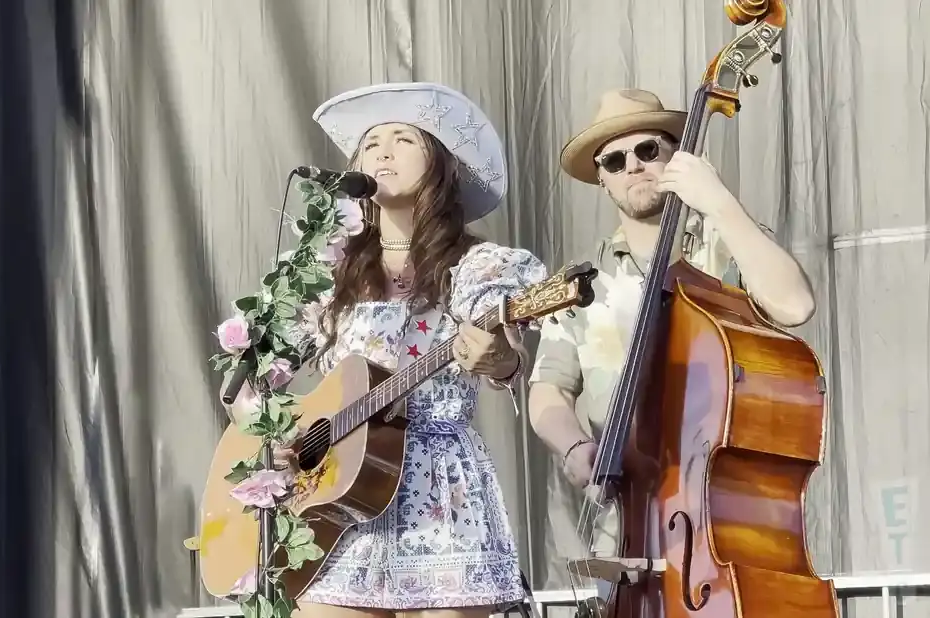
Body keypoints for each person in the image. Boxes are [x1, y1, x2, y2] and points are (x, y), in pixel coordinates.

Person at [227, 82, 547, 618]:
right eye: (371, 143)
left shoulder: (477, 265)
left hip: (439, 493)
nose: (383, 151)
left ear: (443, 166)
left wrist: (500, 359)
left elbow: (505, 354)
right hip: (336, 490)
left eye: (403, 139)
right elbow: (249, 379)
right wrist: (273, 436)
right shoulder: (327, 271)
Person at [526, 88, 817, 556]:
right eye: (614, 161)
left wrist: (719, 202)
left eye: (647, 150)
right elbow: (548, 391)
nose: (632, 166)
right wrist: (575, 446)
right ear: (602, 180)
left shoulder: (729, 245)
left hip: (729, 523)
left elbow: (795, 305)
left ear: (676, 157)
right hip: (628, 523)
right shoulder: (581, 285)